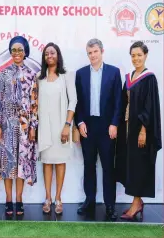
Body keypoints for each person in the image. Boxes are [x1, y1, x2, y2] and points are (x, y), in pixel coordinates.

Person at [75, 38, 122, 221]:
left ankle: (110, 205)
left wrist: (114, 123)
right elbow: (77, 102)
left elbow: (119, 100)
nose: (92, 56)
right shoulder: (81, 74)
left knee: (109, 167)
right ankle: (90, 201)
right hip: (88, 127)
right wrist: (79, 123)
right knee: (89, 165)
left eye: (95, 52)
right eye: (89, 53)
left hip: (107, 126)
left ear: (102, 51)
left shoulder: (113, 72)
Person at [116, 41, 162, 221]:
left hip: (141, 130)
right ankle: (137, 201)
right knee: (132, 165)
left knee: (140, 165)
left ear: (146, 55)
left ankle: (136, 204)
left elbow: (149, 107)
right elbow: (123, 104)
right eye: (133, 55)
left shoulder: (149, 78)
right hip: (128, 128)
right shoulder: (129, 77)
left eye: (139, 55)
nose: (136, 58)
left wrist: (143, 130)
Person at [0, 36, 38, 216]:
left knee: (21, 163)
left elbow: (34, 103)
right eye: (14, 50)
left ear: (25, 51)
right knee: (7, 163)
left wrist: (33, 126)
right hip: (6, 124)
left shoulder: (31, 74)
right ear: (10, 53)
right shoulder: (3, 74)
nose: (17, 53)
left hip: (25, 127)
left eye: (20, 50)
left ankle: (19, 200)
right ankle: (8, 199)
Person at [38, 43, 77, 214]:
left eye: (52, 53)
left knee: (60, 162)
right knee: (47, 163)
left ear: (58, 55)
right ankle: (47, 198)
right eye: (47, 54)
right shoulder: (40, 79)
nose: (49, 56)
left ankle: (59, 198)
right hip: (45, 127)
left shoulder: (66, 76)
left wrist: (67, 126)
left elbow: (73, 101)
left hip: (62, 126)